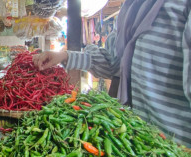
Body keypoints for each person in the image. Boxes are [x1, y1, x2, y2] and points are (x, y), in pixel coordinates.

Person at [33, 0, 191, 147]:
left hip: (177, 143)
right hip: (137, 139)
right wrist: (64, 56)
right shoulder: (131, 8)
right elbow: (114, 62)